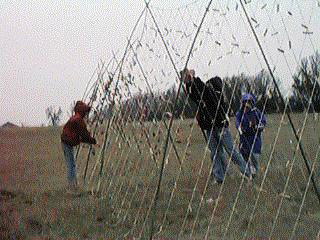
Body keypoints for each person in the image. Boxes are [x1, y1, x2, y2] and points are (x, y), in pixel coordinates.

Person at [181, 68, 251, 184]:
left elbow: (203, 91)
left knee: (231, 150)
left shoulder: (214, 95)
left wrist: (194, 79)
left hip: (220, 126)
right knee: (215, 152)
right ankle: (219, 177)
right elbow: (193, 96)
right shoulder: (205, 96)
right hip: (210, 127)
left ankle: (247, 172)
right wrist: (189, 83)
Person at [61, 101, 97, 192]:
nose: (86, 114)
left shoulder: (75, 118)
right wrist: (92, 140)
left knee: (71, 164)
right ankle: (72, 186)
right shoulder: (78, 120)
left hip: (66, 141)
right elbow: (84, 135)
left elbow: (81, 136)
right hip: (67, 143)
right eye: (85, 111)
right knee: (71, 165)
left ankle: (73, 185)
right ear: (82, 111)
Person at [236, 93, 266, 178]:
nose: (246, 104)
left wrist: (259, 126)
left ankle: (255, 173)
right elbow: (237, 122)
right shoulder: (240, 113)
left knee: (254, 156)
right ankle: (248, 173)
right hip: (244, 138)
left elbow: (263, 121)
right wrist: (239, 128)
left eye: (249, 102)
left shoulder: (256, 112)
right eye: (245, 102)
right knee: (244, 156)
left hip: (255, 138)